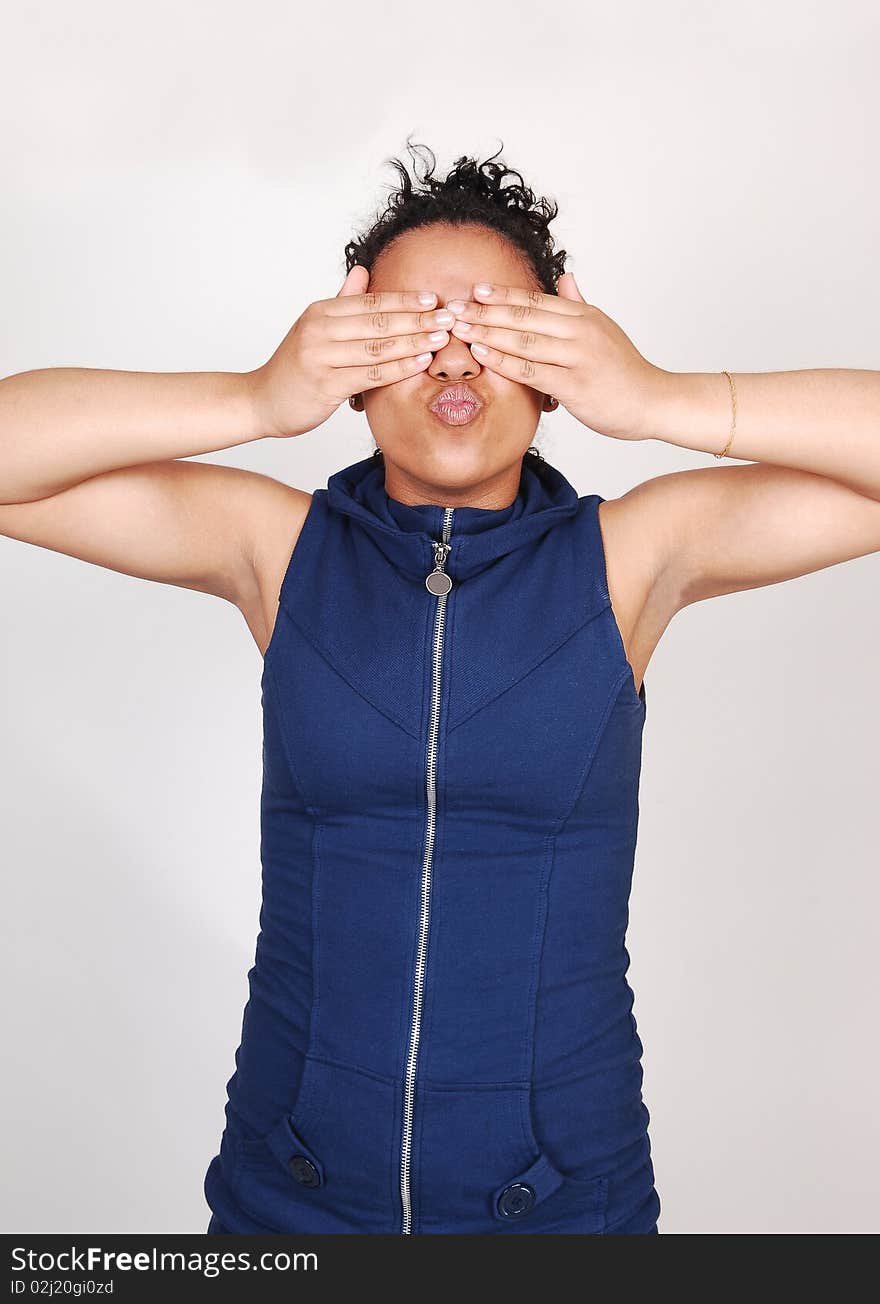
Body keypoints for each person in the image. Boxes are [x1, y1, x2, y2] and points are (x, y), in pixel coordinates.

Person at [2, 141, 879, 1237]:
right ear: (353, 372)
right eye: (411, 332)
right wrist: (258, 396)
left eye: (500, 331)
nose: (456, 364)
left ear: (559, 369)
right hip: (291, 1193)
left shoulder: (629, 559)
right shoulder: (276, 550)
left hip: (563, 1200)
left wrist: (657, 397)